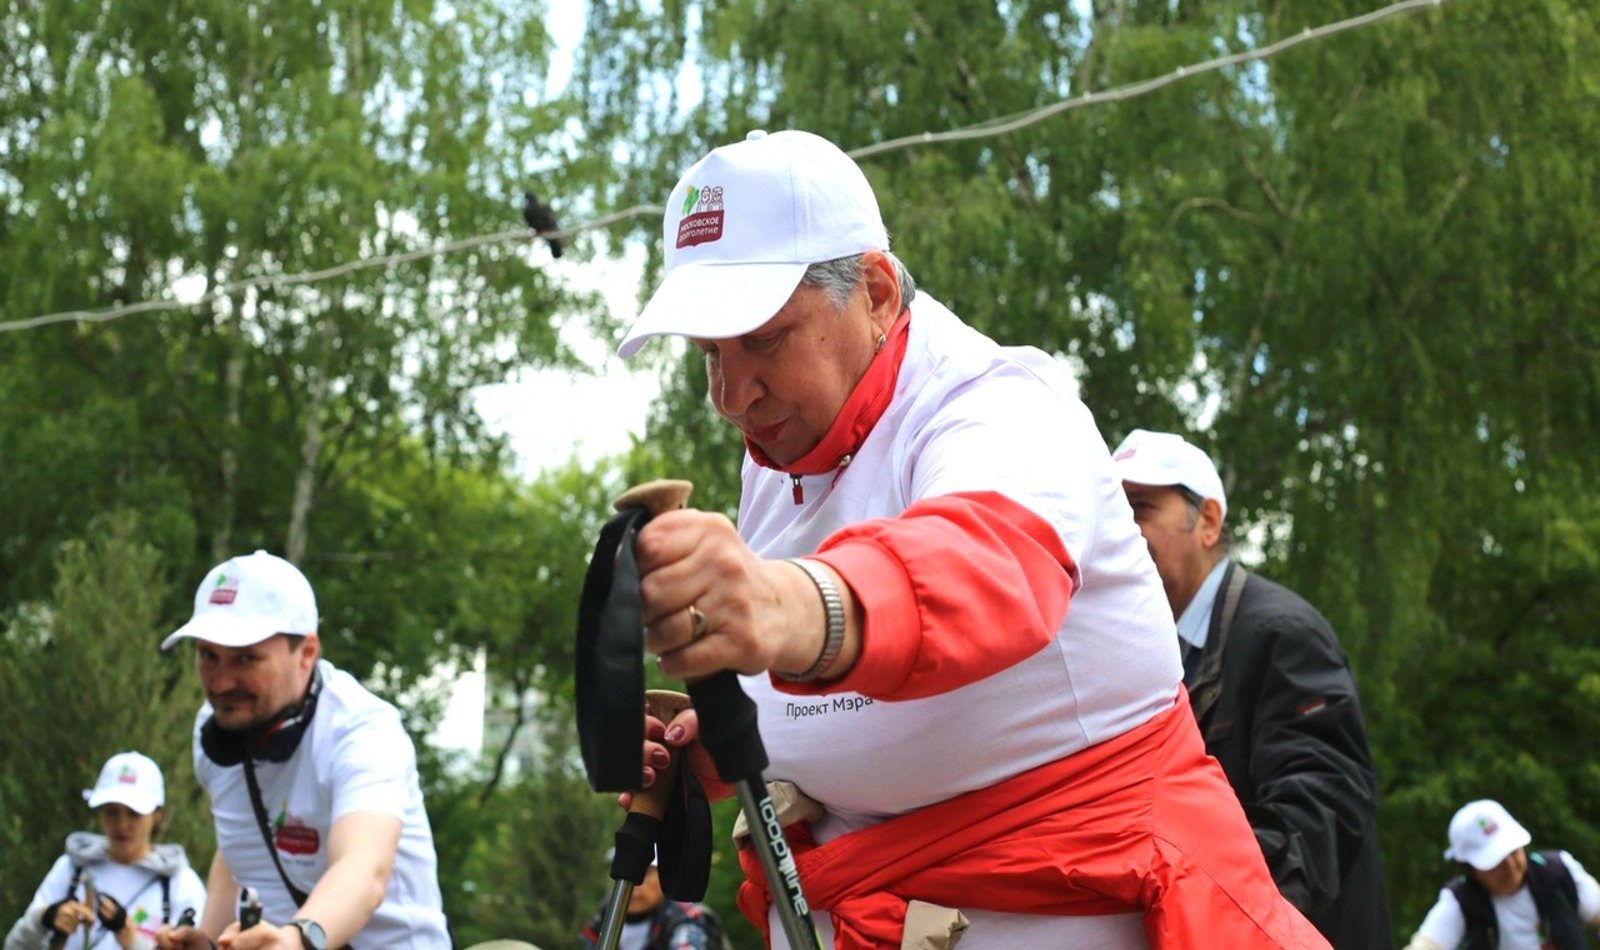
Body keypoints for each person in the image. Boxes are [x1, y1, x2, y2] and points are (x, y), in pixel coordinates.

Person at [614, 128, 1329, 949]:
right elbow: (862, 705)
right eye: (710, 353)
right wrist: (730, 733)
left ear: (877, 292)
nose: (733, 394)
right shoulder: (783, 452)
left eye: (764, 340)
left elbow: (984, 565)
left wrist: (781, 605)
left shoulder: (1003, 401)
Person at [1111, 428, 1392, 948]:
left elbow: (1323, 810)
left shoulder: (1282, 634)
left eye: (1142, 507)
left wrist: (1205, 905)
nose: (1122, 531)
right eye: (1113, 512)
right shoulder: (1151, 653)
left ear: (1209, 522)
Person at [153, 549, 450, 950]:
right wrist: (208, 941)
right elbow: (237, 840)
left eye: (246, 658)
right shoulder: (216, 726)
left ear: (307, 653)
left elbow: (363, 870)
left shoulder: (362, 731)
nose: (221, 683)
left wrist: (295, 942)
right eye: (208, 655)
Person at [5, 751, 207, 950]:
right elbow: (14, 946)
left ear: (157, 815)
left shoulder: (181, 884)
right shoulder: (71, 868)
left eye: (134, 814)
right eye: (111, 812)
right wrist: (45, 918)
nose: (122, 824)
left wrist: (131, 940)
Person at [1405, 799, 1600, 950]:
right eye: (1495, 861)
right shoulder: (1461, 901)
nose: (1510, 865)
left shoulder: (1558, 873)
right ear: (1470, 869)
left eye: (1513, 851)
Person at [578, 859, 725, 950]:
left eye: (644, 874)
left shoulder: (685, 917)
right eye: (619, 875)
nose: (631, 883)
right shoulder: (599, 923)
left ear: (665, 878)